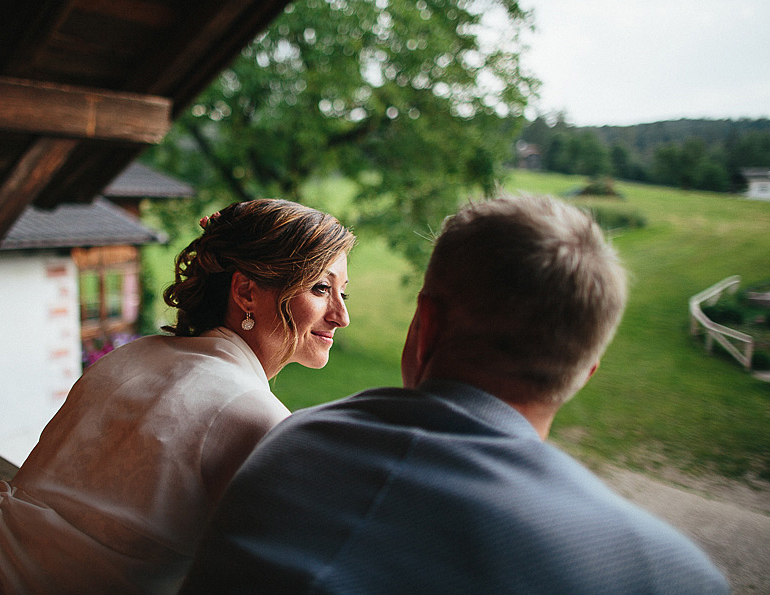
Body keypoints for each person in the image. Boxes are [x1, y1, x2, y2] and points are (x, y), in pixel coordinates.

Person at [179, 194, 729, 594]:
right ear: (584, 373)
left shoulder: (291, 445)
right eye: (323, 289)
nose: (341, 315)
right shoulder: (667, 574)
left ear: (427, 325)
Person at [0, 199, 355, 594]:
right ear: (247, 291)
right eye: (320, 288)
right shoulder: (256, 417)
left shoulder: (135, 355)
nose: (341, 315)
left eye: (343, 293)